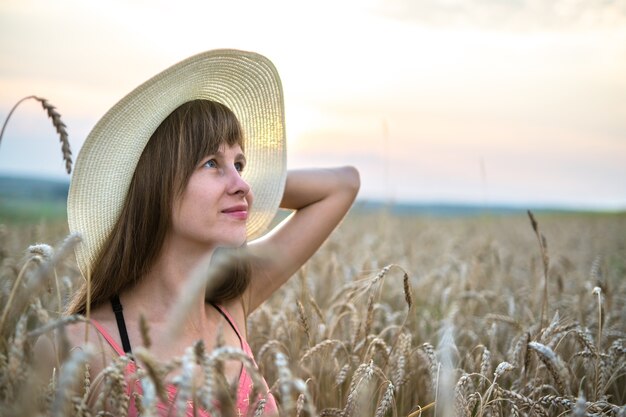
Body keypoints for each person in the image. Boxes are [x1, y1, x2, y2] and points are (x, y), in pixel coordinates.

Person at [37, 50, 360, 416]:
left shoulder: (231, 307)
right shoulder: (80, 347)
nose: (241, 182)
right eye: (211, 162)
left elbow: (344, 184)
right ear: (156, 185)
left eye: (240, 163)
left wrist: (246, 187)